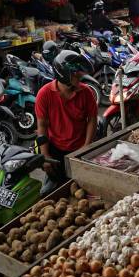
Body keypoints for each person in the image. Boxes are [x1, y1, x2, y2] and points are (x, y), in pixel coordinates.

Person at [35, 51, 97, 194]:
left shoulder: (86, 92)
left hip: (81, 148)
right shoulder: (44, 94)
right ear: (64, 74)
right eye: (76, 73)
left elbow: (92, 120)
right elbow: (42, 126)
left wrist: (87, 147)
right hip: (56, 150)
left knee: (85, 188)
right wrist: (45, 155)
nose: (80, 75)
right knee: (56, 190)